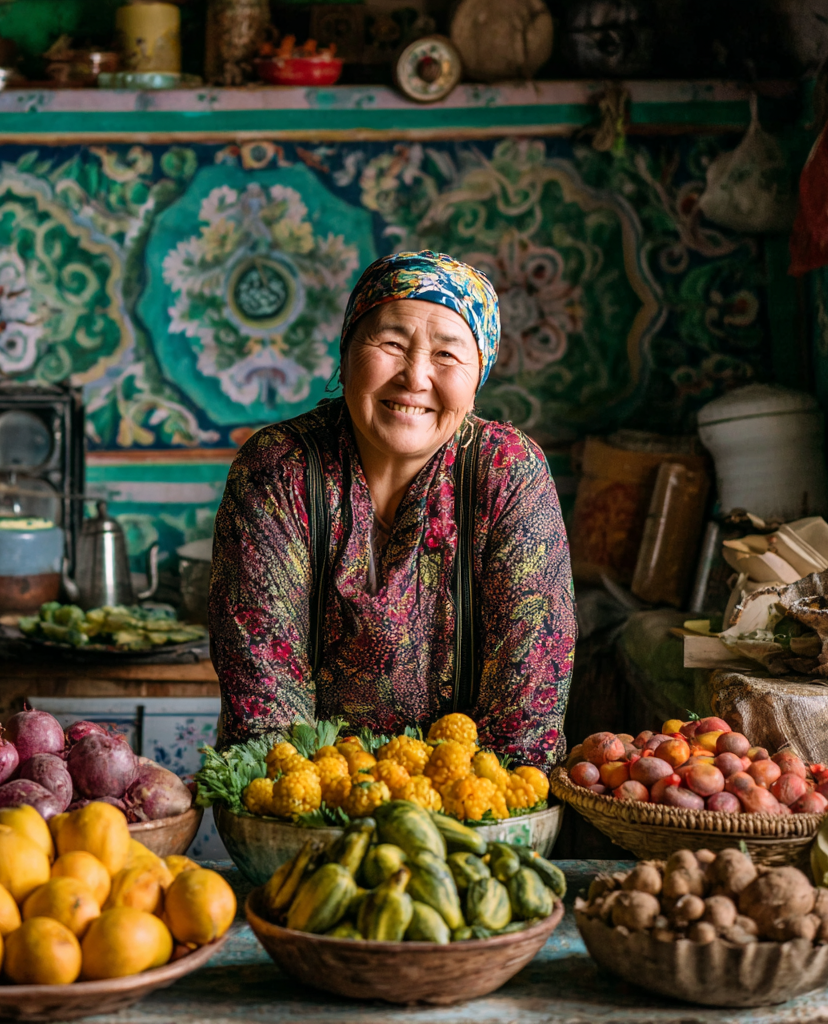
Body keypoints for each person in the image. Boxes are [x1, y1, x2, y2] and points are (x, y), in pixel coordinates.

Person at [209, 251, 576, 765]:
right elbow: (263, 699)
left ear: (478, 378)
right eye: (392, 344)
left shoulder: (508, 472)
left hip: (471, 812)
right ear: (346, 352)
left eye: (447, 355)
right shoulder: (280, 468)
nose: (415, 377)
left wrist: (475, 811)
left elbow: (528, 703)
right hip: (302, 807)